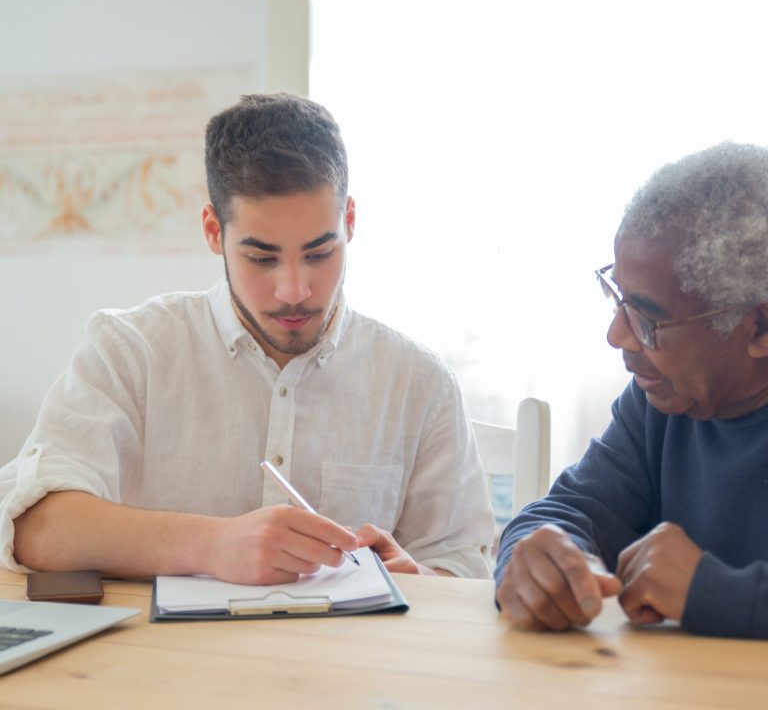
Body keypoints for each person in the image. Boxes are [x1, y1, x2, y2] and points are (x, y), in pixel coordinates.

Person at [0, 93, 493, 583]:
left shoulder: (419, 382)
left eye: (320, 253)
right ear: (214, 232)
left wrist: (415, 577)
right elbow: (35, 526)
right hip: (162, 659)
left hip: (351, 660)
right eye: (262, 258)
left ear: (349, 222)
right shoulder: (131, 350)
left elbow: (468, 567)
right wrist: (211, 545)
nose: (295, 290)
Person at [496, 141, 768, 639]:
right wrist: (538, 555)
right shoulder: (658, 402)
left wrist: (712, 591)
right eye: (616, 297)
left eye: (647, 319)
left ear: (759, 328)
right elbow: (568, 511)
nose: (617, 336)